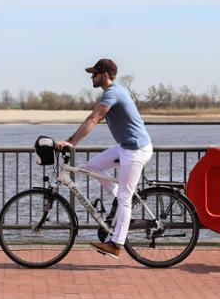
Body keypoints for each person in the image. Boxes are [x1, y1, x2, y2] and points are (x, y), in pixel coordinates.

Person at [56, 58, 153, 259]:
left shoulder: (113, 93)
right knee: (93, 166)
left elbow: (94, 118)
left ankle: (116, 244)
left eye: (94, 74)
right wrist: (70, 140)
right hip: (125, 147)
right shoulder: (112, 92)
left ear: (105, 75)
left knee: (126, 198)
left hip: (136, 149)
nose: (91, 77)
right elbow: (93, 118)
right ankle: (119, 199)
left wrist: (72, 143)